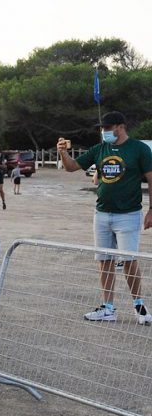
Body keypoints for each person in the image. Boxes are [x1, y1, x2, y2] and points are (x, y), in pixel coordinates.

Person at [57, 111, 152, 325]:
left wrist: (151, 210)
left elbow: (151, 178)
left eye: (108, 128)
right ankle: (108, 307)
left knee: (128, 260)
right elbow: (71, 167)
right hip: (101, 214)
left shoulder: (139, 149)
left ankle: (139, 306)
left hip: (128, 214)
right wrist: (62, 152)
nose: (104, 131)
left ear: (120, 126)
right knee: (104, 261)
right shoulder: (100, 149)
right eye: (102, 128)